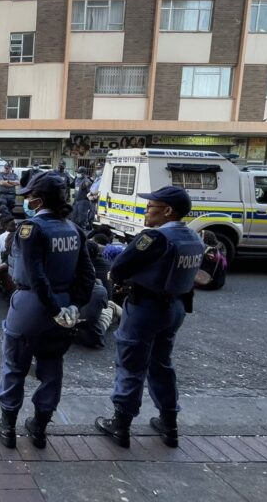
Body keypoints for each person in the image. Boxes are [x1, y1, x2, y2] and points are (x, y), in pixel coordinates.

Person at [0, 172, 96, 450]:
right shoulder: (74, 230)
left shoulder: (31, 229)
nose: (26, 201)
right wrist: (73, 306)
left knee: (15, 366)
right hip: (64, 305)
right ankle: (39, 428)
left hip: (32, 306)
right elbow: (88, 275)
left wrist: (52, 308)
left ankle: (7, 426)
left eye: (29, 196)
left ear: (38, 200)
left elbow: (37, 276)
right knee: (52, 368)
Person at [95, 186, 204, 450]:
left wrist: (123, 279)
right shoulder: (193, 237)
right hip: (176, 307)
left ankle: (121, 424)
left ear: (167, 211)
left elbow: (119, 268)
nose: (146, 211)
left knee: (131, 365)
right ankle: (169, 423)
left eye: (150, 207)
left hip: (146, 307)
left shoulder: (155, 238)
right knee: (162, 364)